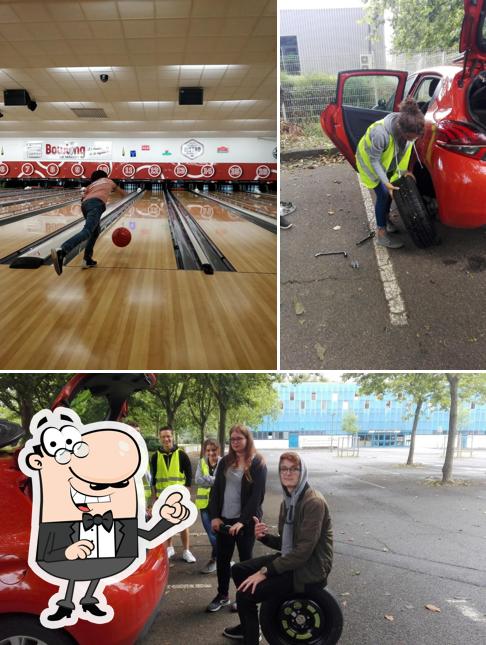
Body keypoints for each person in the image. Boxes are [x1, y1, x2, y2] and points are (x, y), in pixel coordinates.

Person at [223, 451, 333, 644]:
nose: (287, 473)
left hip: (309, 568)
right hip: (293, 560)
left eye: (293, 469)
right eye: (283, 469)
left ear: (303, 472)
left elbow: (303, 552)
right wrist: (264, 538)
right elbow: (287, 544)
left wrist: (265, 572)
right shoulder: (289, 501)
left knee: (245, 596)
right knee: (238, 570)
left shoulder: (313, 502)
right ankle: (249, 625)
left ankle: (250, 638)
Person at [207, 424, 267, 613]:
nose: (235, 442)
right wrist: (215, 516)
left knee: (245, 561)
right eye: (232, 439)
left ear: (248, 439)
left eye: (239, 439)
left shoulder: (258, 463)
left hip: (246, 522)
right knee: (223, 559)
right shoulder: (225, 461)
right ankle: (222, 595)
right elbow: (216, 490)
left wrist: (242, 521)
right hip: (225, 519)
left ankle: (244, 597)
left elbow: (257, 496)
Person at [356, 96, 425, 249]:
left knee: (390, 191)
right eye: (410, 138)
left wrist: (404, 170)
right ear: (402, 132)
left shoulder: (410, 129)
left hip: (386, 163)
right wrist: (386, 183)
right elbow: (374, 160)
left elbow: (401, 152)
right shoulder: (381, 133)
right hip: (368, 163)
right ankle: (381, 233)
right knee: (383, 194)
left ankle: (385, 219)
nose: (412, 140)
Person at [51, 170, 129, 275]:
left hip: (85, 205)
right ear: (105, 177)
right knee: (87, 231)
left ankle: (87, 260)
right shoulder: (108, 181)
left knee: (95, 231)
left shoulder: (91, 185)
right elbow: (121, 192)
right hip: (96, 204)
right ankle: (62, 250)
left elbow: (83, 198)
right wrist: (128, 197)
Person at [150, 426, 196, 563]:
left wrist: (187, 492)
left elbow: (188, 475)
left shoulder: (181, 454)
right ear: (160, 438)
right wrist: (154, 496)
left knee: (183, 523)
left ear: (172, 436)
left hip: (179, 496)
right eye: (163, 436)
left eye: (168, 436)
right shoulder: (155, 457)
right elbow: (153, 478)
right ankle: (169, 548)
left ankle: (186, 551)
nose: (166, 439)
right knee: (166, 523)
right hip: (162, 496)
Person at [195, 438, 221, 574]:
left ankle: (216, 559)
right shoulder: (201, 462)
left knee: (219, 533)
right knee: (211, 533)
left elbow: (223, 481)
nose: (211, 453)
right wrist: (213, 480)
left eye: (214, 450)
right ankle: (221, 558)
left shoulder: (223, 462)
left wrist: (207, 479)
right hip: (204, 504)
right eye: (208, 450)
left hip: (219, 505)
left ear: (218, 449)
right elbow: (197, 479)